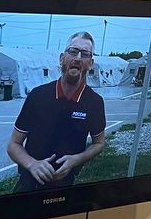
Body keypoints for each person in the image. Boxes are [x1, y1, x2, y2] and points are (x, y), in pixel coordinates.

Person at [6, 32, 106, 192]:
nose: (78, 58)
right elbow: (13, 144)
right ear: (62, 58)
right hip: (28, 186)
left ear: (90, 64)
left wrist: (77, 159)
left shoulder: (94, 102)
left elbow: (99, 143)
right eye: (73, 51)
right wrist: (32, 164)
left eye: (85, 54)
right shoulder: (37, 96)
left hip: (65, 187)